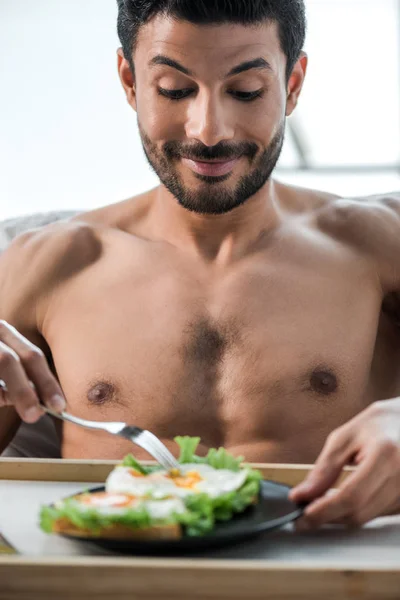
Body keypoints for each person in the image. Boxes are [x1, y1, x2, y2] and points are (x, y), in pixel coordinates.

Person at [0, 0, 400, 531]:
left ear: (293, 82)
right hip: (109, 581)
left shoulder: (379, 243)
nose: (209, 130)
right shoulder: (43, 264)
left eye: (246, 91)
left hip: (327, 573)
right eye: (174, 89)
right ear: (130, 80)